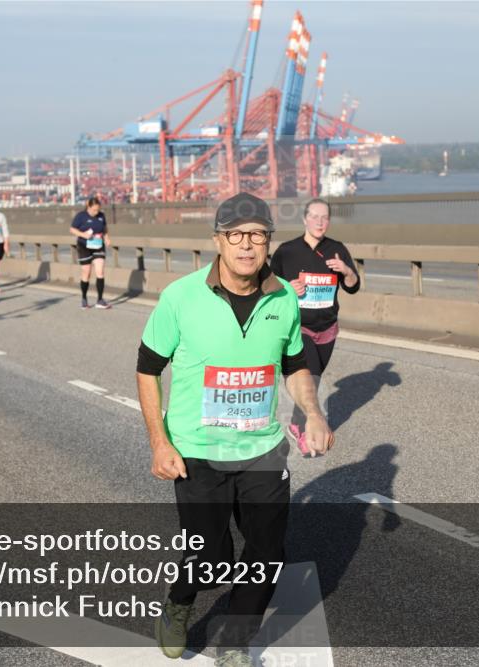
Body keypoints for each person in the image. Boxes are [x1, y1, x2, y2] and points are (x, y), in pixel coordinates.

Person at [136, 192, 333, 666]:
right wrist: (159, 443)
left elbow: (295, 365)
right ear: (218, 242)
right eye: (236, 236)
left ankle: (234, 643)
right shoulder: (180, 297)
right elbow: (147, 369)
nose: (247, 246)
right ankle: (180, 605)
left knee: (267, 553)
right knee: (208, 560)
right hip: (197, 451)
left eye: (258, 236)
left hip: (262, 448)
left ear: (268, 242)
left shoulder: (285, 297)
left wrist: (314, 410)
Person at [270, 198, 360, 455]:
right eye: (315, 216)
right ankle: (301, 427)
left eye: (325, 218)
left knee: (315, 380)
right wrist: (287, 287)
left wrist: (345, 270)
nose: (320, 222)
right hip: (300, 328)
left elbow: (353, 285)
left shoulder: (337, 249)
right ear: (304, 219)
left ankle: (301, 420)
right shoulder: (287, 251)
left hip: (328, 328)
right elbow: (267, 285)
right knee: (308, 375)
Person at [69, 196, 111, 309]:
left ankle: (100, 300)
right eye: (94, 210)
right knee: (86, 273)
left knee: (100, 271)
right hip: (84, 246)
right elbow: (72, 229)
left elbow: (105, 228)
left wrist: (107, 238)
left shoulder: (101, 216)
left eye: (98, 210)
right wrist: (84, 235)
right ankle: (84, 298)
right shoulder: (81, 216)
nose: (96, 212)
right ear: (89, 206)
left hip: (98, 246)